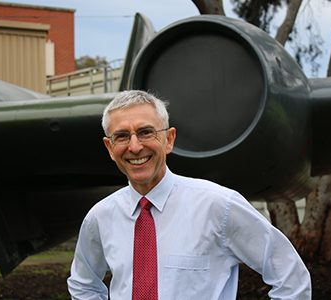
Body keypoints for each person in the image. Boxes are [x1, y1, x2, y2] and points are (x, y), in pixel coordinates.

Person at [67, 90, 311, 299]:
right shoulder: (100, 217)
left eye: (145, 132)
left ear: (169, 139)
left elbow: (290, 277)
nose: (134, 146)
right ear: (110, 148)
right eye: (121, 136)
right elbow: (83, 284)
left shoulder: (218, 206)